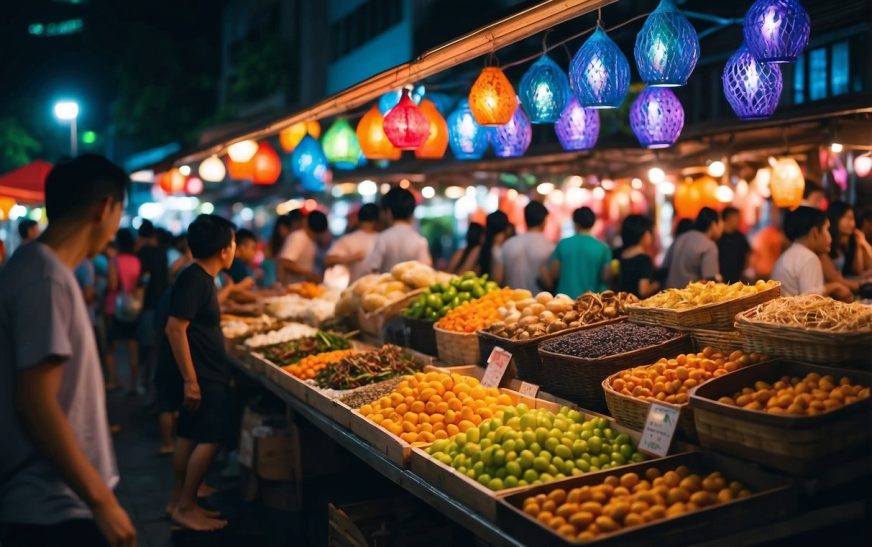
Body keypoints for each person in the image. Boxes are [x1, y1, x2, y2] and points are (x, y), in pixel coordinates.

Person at [0, 155, 136, 547]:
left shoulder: (41, 269)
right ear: (104, 208)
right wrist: (102, 501)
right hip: (53, 508)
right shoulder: (45, 278)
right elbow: (35, 401)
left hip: (59, 500)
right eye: (118, 213)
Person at [164, 214, 236, 531]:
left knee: (189, 434)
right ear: (224, 249)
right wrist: (191, 381)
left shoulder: (200, 277)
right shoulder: (195, 278)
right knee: (213, 436)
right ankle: (186, 506)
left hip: (202, 372)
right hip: (204, 375)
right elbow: (174, 328)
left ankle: (178, 502)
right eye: (233, 243)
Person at [772, 206, 852, 299]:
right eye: (827, 230)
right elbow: (809, 301)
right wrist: (833, 287)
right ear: (815, 232)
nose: (830, 237)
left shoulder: (788, 255)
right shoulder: (809, 258)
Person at [104, 229, 142, 394]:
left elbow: (112, 285)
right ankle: (134, 383)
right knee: (133, 345)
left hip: (114, 306)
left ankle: (114, 380)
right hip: (133, 307)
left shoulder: (114, 261)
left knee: (110, 345)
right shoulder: (136, 260)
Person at [543, 207, 611, 298]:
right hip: (591, 301)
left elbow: (555, 273)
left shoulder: (563, 244)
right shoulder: (603, 248)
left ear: (575, 223)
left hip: (564, 299)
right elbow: (605, 277)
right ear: (593, 223)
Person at [136, 220, 168, 399]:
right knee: (157, 347)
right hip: (162, 303)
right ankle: (155, 389)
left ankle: (148, 387)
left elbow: (145, 279)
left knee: (148, 347)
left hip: (148, 304)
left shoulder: (142, 253)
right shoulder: (161, 252)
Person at [365, 187, 432, 273]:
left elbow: (373, 268)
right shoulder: (419, 240)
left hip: (386, 286)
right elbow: (426, 269)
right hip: (413, 286)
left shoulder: (383, 238)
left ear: (388, 212)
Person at [497, 201, 554, 292]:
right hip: (538, 303)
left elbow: (497, 278)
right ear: (544, 221)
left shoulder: (509, 244)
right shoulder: (550, 247)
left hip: (511, 302)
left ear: (525, 218)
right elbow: (550, 282)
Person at [664, 207, 723, 289]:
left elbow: (664, 268)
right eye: (720, 223)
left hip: (669, 297)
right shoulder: (709, 246)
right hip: (691, 298)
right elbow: (710, 282)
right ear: (713, 224)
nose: (722, 229)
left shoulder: (680, 238)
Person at [821, 201, 872, 293]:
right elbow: (835, 278)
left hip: (845, 286)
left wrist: (860, 245)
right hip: (834, 291)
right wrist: (861, 285)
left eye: (853, 219)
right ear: (836, 218)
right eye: (848, 218)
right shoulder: (824, 243)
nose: (852, 223)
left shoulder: (845, 242)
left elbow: (857, 270)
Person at [325, 203, 380, 282]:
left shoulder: (348, 239)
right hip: (378, 289)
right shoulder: (383, 238)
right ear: (377, 219)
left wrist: (350, 258)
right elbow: (328, 260)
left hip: (354, 288)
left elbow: (328, 260)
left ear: (358, 218)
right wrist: (352, 257)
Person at [280, 210, 328, 283]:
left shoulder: (311, 240)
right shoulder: (298, 237)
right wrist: (309, 273)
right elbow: (285, 262)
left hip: (303, 287)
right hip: (292, 288)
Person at [618, 215, 659, 298]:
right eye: (650, 232)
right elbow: (643, 291)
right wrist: (657, 284)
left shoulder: (619, 253)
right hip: (636, 306)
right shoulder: (644, 260)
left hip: (620, 303)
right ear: (643, 234)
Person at [717, 207, 751, 284]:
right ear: (729, 218)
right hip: (720, 280)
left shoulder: (740, 236)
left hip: (738, 278)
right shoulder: (718, 237)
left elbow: (748, 252)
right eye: (737, 218)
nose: (739, 221)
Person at [479, 211, 511, 280]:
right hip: (497, 289)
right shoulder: (499, 250)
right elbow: (497, 278)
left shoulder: (486, 246)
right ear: (506, 227)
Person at [264, 214, 294, 287]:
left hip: (278, 282)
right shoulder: (273, 242)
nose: (288, 232)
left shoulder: (284, 241)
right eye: (287, 229)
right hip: (272, 282)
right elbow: (268, 262)